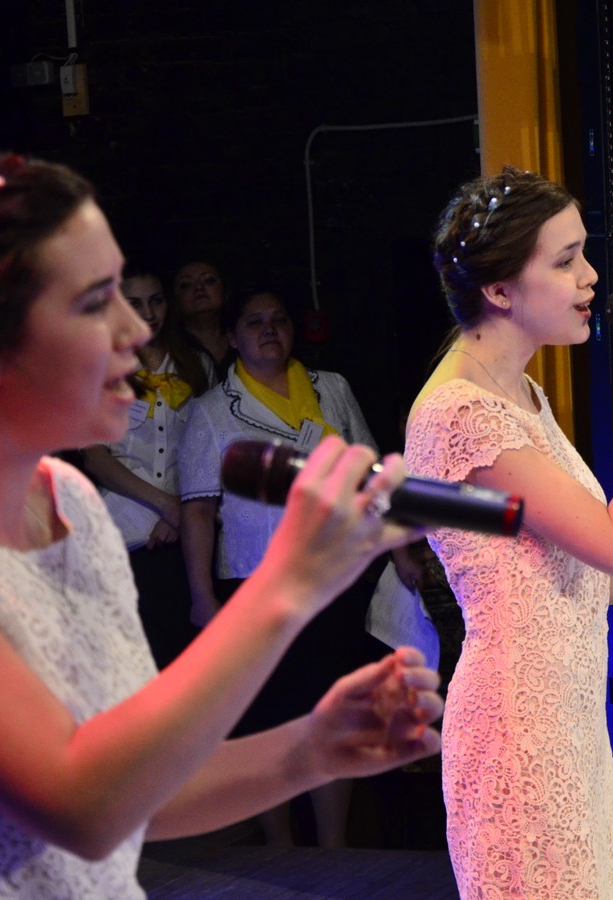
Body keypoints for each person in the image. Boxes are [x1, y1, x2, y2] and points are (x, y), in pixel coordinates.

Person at [0, 152, 442, 897]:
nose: (135, 329)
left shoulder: (69, 500)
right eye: (96, 301)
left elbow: (140, 792)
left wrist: (313, 749)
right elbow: (81, 808)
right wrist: (286, 583)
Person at [405, 165, 613, 898]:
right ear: (499, 291)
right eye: (564, 260)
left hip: (568, 725)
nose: (590, 277)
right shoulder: (461, 414)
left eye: (583, 253)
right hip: (518, 733)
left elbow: (528, 579)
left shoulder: (518, 392)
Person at [179, 287, 384, 848]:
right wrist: (202, 597)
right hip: (255, 582)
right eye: (254, 322)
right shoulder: (212, 410)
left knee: (330, 711)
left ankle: (333, 849)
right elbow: (197, 510)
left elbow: (371, 476)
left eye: (278, 319)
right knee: (270, 716)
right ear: (231, 338)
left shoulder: (330, 388)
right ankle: (281, 851)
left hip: (332, 577)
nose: (269, 330)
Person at [82, 265, 212, 668]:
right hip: (122, 532)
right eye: (134, 303)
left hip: (184, 536)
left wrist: (181, 508)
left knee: (184, 662)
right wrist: (165, 504)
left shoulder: (196, 364)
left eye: (156, 301)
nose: (148, 312)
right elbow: (95, 457)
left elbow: (206, 452)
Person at [172, 259, 231, 373]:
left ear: (225, 292)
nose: (199, 287)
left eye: (209, 280)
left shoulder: (245, 339)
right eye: (186, 284)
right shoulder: (167, 349)